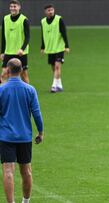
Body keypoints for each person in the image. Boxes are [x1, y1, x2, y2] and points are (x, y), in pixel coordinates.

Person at [0, 58, 44, 203]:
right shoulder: (30, 89)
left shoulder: (1, 90)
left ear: (7, 70)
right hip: (24, 136)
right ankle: (25, 201)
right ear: (21, 70)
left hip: (6, 137)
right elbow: (36, 113)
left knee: (8, 172)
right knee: (26, 171)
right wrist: (40, 132)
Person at [41, 4, 70, 93]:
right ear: (45, 12)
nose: (51, 12)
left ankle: (54, 86)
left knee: (57, 66)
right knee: (53, 68)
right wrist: (43, 47)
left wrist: (67, 46)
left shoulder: (59, 19)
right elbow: (43, 35)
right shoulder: (43, 21)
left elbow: (64, 32)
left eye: (52, 10)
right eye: (49, 10)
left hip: (59, 47)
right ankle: (59, 85)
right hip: (50, 48)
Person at [0, 0, 30, 83]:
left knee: (24, 75)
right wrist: (2, 52)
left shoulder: (24, 20)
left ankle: (28, 93)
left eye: (15, 6)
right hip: (8, 52)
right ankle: (3, 95)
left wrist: (22, 49)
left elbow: (27, 37)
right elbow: (3, 37)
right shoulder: (5, 19)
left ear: (19, 7)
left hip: (20, 53)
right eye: (11, 6)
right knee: (4, 74)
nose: (13, 8)